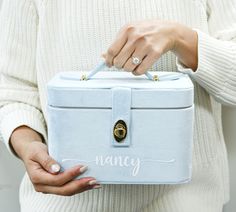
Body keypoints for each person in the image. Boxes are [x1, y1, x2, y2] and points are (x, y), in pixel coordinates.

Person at [0, 0, 235, 211]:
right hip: (63, 203)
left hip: (187, 202)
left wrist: (180, 37)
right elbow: (13, 90)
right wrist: (28, 144)